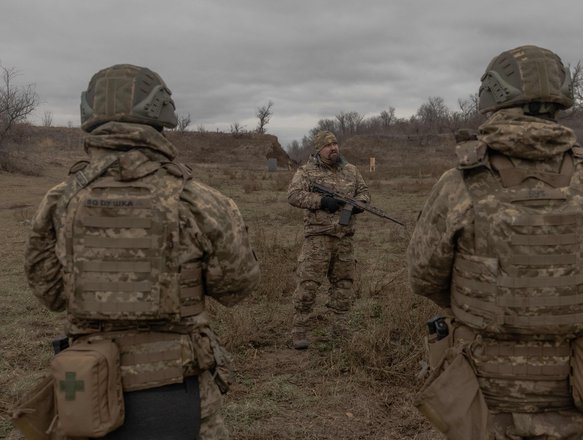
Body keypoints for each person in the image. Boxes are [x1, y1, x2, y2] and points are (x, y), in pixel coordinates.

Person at [24, 64, 260, 439]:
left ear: (91, 115)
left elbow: (50, 293)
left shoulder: (60, 200)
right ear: (160, 116)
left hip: (87, 388)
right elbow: (236, 288)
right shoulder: (200, 201)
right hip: (182, 393)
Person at [407, 45, 583, 439]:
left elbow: (424, 276)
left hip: (483, 386)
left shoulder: (460, 183)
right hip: (572, 382)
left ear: (493, 98)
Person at [287, 130, 370, 349]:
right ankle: (299, 329)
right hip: (318, 238)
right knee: (308, 285)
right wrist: (321, 201)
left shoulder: (351, 170)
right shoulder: (306, 171)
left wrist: (356, 205)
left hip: (344, 239)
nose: (333, 148)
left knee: (343, 285)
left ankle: (339, 330)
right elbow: (293, 195)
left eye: (335, 144)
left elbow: (364, 193)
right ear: (318, 149)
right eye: (328, 145)